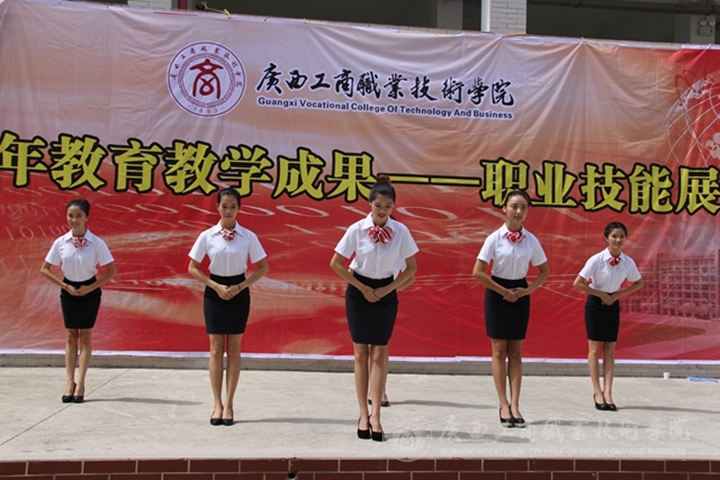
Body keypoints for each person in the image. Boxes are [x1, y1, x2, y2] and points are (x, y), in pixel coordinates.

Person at [330, 176, 418, 442]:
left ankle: (376, 414)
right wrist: (362, 288)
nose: (382, 211)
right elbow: (336, 263)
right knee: (360, 353)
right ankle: (362, 413)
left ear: (394, 207)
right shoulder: (356, 229)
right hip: (359, 293)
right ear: (369, 204)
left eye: (388, 206)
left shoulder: (401, 231)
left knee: (379, 352)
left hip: (386, 293)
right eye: (378, 205)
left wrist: (388, 289)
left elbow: (411, 269)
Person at [188, 188, 269, 426]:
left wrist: (240, 286)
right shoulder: (207, 236)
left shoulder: (248, 236)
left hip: (239, 292)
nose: (228, 211)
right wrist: (215, 286)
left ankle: (230, 403)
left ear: (239, 208)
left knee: (234, 349)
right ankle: (217, 404)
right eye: (224, 206)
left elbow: (263, 267)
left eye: (233, 206)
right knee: (215, 349)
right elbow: (193, 267)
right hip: (214, 292)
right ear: (217, 207)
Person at [472, 190, 549, 428]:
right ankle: (503, 403)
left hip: (520, 294)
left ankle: (515, 404)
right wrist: (502, 291)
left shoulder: (531, 240)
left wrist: (527, 290)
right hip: (498, 294)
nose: (518, 212)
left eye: (523, 207)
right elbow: (478, 272)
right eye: (514, 206)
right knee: (498, 350)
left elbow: (544, 271)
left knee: (516, 351)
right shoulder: (494, 238)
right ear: (504, 209)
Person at [40, 198, 117, 404]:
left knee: (86, 336)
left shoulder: (97, 243)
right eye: (70, 216)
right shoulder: (61, 242)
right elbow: (45, 269)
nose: (74, 220)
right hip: (69, 291)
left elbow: (111, 271)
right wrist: (65, 286)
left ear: (87, 217)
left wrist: (89, 288)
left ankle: (81, 382)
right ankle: (69, 381)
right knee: (70, 335)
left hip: (89, 292)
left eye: (79, 216)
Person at [573, 221, 644, 412]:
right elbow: (578, 283)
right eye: (614, 236)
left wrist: (618, 294)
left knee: (610, 349)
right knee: (595, 349)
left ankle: (608, 392)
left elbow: (639, 282)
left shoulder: (628, 262)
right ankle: (597, 391)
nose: (618, 240)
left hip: (613, 305)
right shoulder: (596, 260)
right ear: (606, 238)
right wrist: (600, 294)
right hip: (596, 305)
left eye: (621, 237)